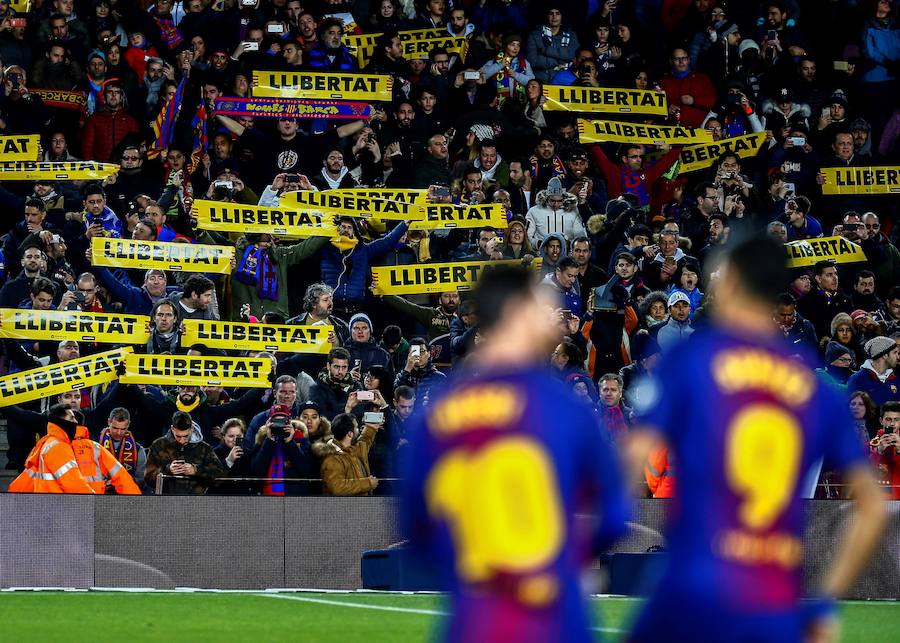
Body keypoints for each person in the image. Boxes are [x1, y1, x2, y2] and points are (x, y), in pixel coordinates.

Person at [627, 235, 887, 642]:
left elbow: (634, 454)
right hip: (773, 602)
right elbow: (872, 506)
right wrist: (824, 602)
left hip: (692, 591)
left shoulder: (693, 360)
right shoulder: (815, 387)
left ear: (731, 280)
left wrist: (606, 527)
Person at [402, 264, 630, 641]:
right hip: (554, 620)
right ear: (517, 312)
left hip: (473, 622)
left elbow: (417, 529)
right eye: (542, 306)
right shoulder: (565, 408)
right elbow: (615, 515)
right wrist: (564, 557)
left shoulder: (436, 415)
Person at [9, 404, 96, 494]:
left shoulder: (48, 442)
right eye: (71, 418)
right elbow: (73, 483)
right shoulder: (59, 447)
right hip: (56, 500)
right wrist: (93, 499)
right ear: (61, 421)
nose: (76, 421)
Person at [144, 411, 226, 495]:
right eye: (178, 436)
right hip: (166, 500)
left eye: (186, 436)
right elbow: (147, 478)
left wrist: (196, 470)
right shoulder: (158, 445)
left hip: (196, 501)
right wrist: (168, 470)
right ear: (172, 429)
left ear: (191, 429)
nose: (182, 440)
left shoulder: (204, 448)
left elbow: (220, 476)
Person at [320, 412, 381, 496]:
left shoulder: (352, 450)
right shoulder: (332, 459)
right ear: (350, 434)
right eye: (356, 427)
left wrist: (371, 427)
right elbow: (337, 487)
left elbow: (365, 440)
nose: (359, 430)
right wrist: (368, 483)